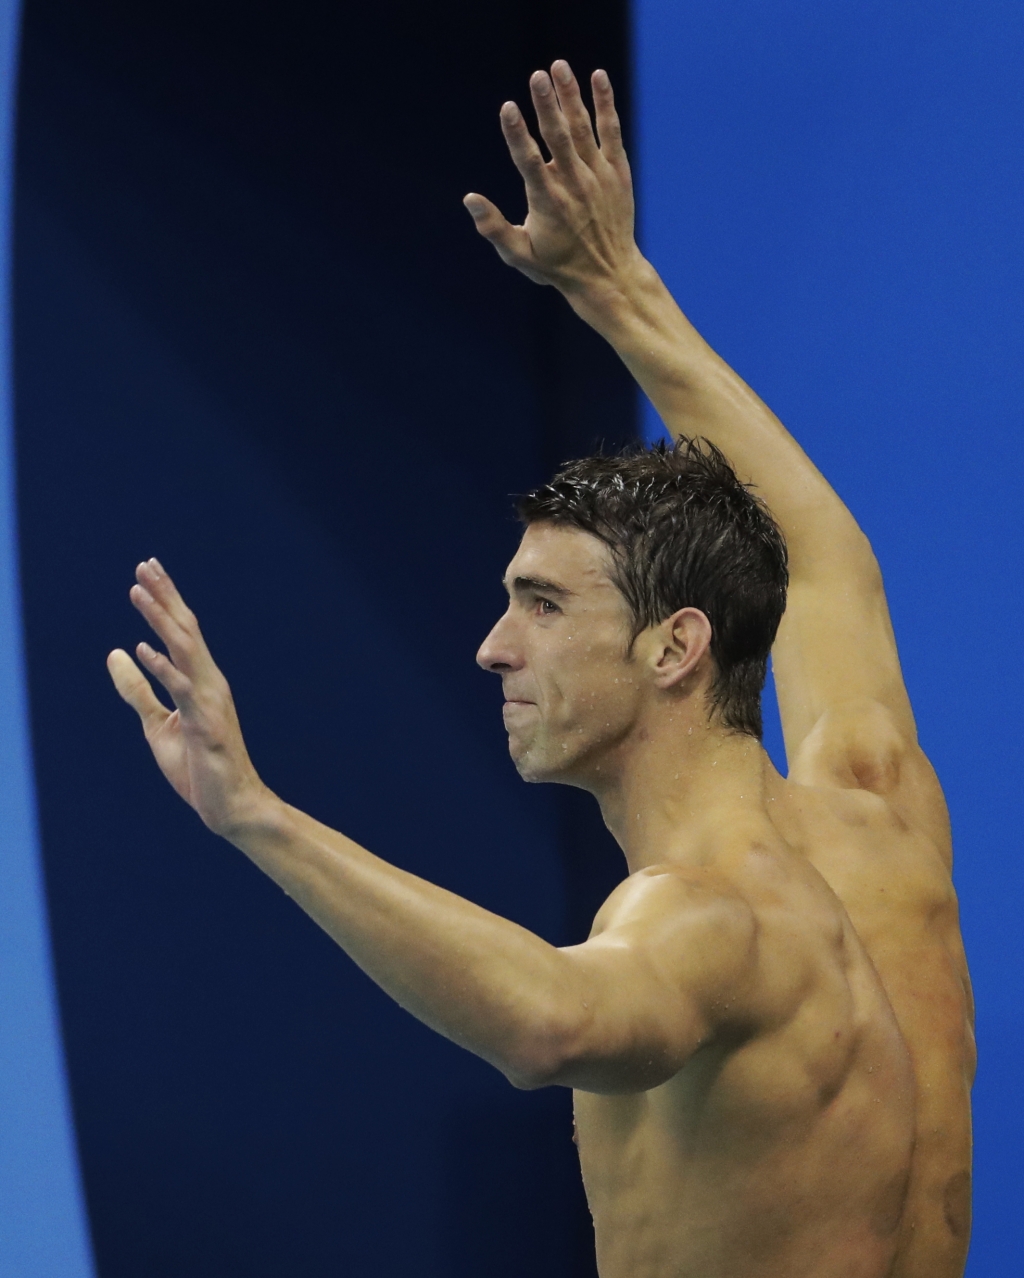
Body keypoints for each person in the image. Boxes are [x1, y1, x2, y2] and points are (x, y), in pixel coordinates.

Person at [107, 61, 972, 1278]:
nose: (491, 646)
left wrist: (257, 816)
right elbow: (822, 565)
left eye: (542, 604)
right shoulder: (878, 822)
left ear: (676, 646)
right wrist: (619, 291)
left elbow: (552, 1023)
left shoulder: (703, 917)